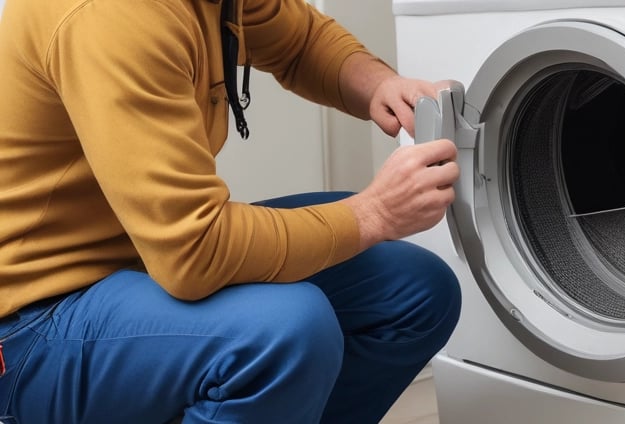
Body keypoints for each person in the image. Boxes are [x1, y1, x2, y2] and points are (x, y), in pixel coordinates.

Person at [0, 0, 462, 422]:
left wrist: (384, 85)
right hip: (34, 323)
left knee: (415, 291)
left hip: (143, 262)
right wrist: (372, 214)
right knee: (284, 333)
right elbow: (195, 252)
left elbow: (298, 41)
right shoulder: (111, 15)